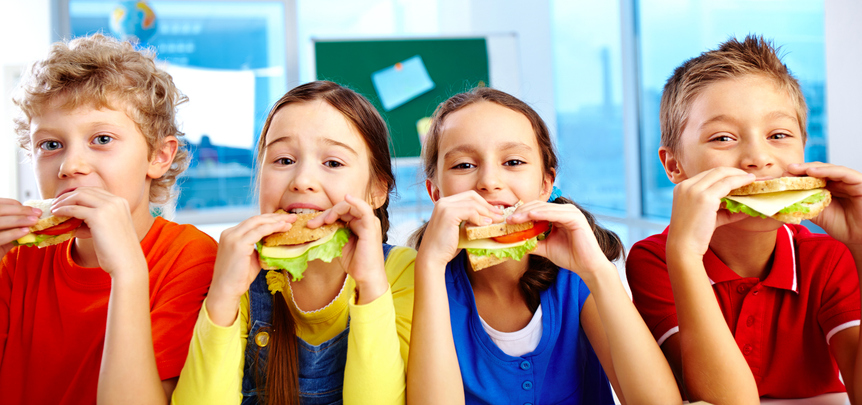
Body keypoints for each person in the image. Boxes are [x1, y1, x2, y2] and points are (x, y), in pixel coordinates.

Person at [626, 35, 862, 404]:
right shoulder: (658, 259)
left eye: (778, 135)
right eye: (722, 138)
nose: (757, 158)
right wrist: (686, 256)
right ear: (674, 166)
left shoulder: (829, 258)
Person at [406, 87, 681, 405]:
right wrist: (429, 266)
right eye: (464, 165)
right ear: (436, 193)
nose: (489, 181)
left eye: (512, 161)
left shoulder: (575, 279)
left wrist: (596, 271)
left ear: (545, 185)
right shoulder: (417, 285)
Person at [0, 33, 216, 404]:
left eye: (101, 139)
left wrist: (128, 273)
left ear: (159, 157)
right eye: (50, 145)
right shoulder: (17, 259)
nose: (71, 166)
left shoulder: (191, 258)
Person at [172, 81, 415, 405]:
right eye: (284, 160)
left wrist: (371, 285)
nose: (301, 181)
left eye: (332, 163)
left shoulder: (402, 273)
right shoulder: (239, 279)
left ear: (377, 191)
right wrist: (222, 296)